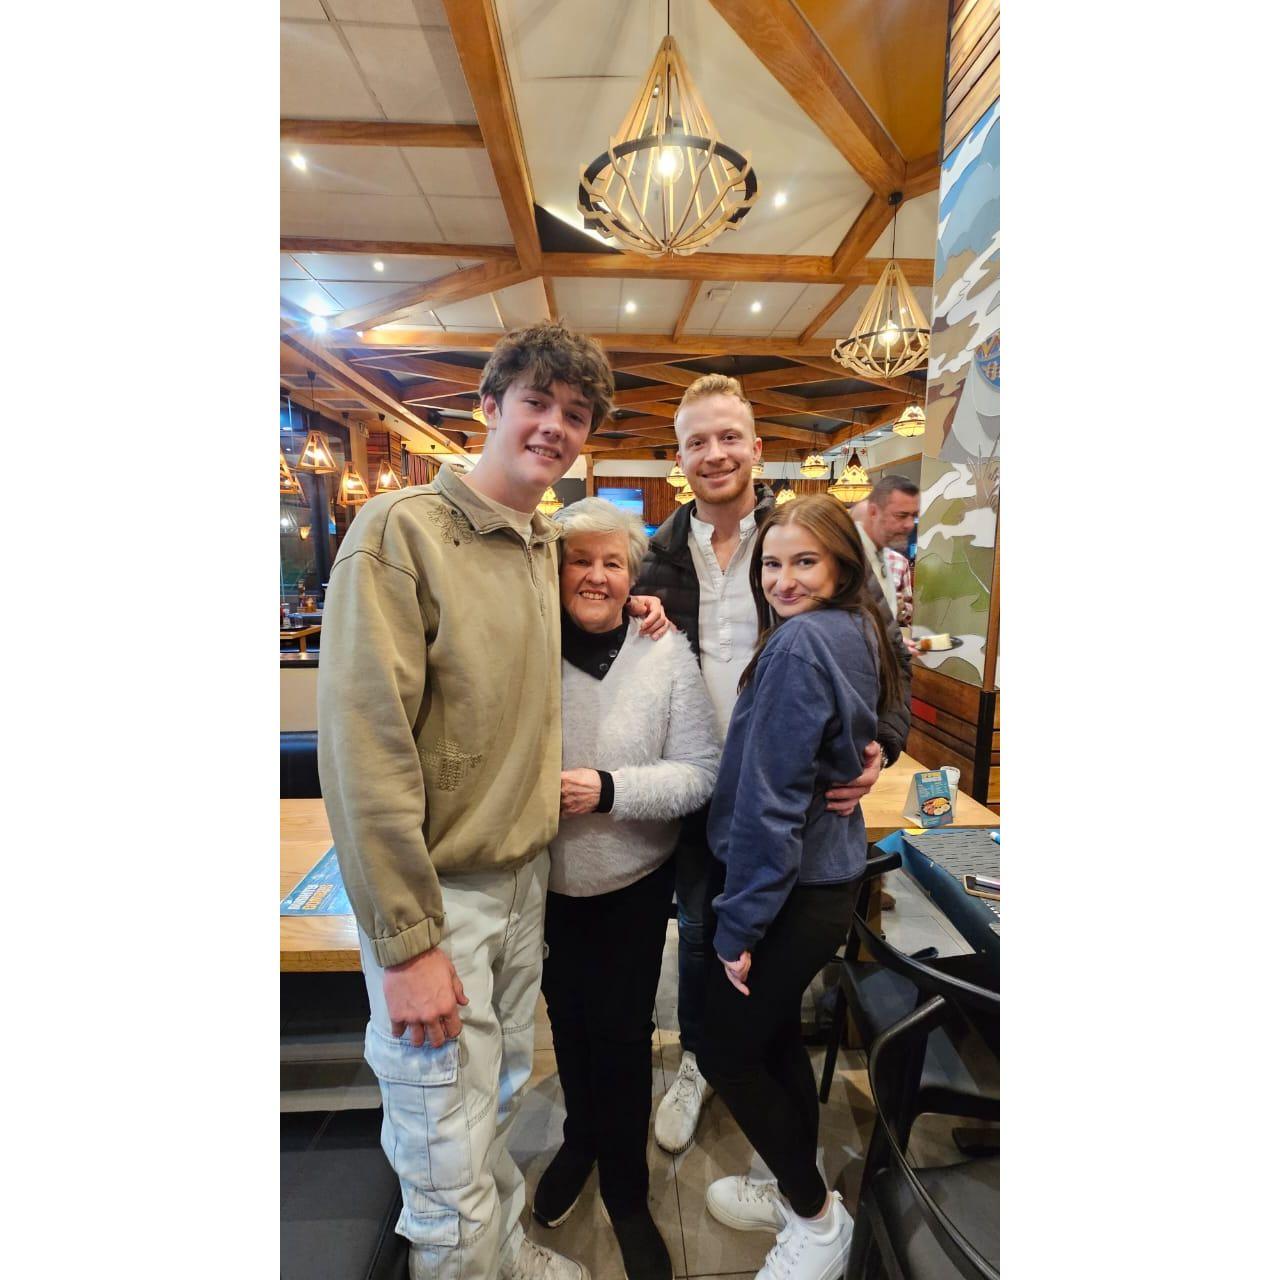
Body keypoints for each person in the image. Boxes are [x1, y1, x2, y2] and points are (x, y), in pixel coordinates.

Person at [317, 320, 667, 1280]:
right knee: (442, 1145)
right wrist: (405, 942)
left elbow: (594, 584)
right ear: (489, 407)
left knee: (500, 1101)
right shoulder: (401, 531)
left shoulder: (541, 545)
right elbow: (363, 746)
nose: (554, 425)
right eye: (536, 402)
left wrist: (636, 603)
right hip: (441, 898)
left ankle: (504, 1254)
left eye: (575, 414)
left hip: (525, 887)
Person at [633, 375, 912, 1155]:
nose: (715, 453)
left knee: (773, 952)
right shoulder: (654, 557)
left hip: (796, 794)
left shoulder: (804, 537)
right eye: (697, 441)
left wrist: (883, 745)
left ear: (756, 447)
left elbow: (890, 655)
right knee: (700, 934)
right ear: (678, 459)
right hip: (699, 790)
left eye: (729, 437)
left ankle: (758, 1087)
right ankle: (699, 1059)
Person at [697, 495, 905, 1280]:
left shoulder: (798, 645)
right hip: (824, 875)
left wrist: (739, 924)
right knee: (773, 1034)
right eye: (773, 564)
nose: (783, 579)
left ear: (842, 565)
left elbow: (771, 800)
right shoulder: (854, 626)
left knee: (723, 1048)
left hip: (790, 885)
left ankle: (818, 1224)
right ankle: (798, 1193)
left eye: (804, 562)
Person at [533, 498, 720, 1280]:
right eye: (580, 560)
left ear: (632, 578)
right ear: (554, 569)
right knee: (567, 1026)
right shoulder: (529, 642)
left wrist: (609, 789)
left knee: (621, 1034)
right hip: (541, 886)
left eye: (613, 563)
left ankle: (627, 1187)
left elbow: (701, 772)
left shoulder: (662, 648)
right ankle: (580, 1138)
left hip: (633, 884)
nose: (596, 576)